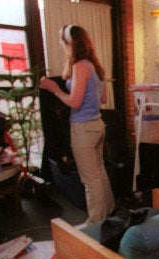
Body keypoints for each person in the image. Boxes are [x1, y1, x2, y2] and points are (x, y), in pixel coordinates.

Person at [40, 24, 114, 228]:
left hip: (83, 129)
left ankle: (96, 221)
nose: (61, 46)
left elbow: (75, 102)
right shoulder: (96, 66)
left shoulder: (80, 66)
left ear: (70, 43)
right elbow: (104, 99)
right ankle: (108, 212)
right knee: (99, 172)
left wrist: (55, 89)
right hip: (98, 125)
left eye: (62, 42)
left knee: (90, 178)